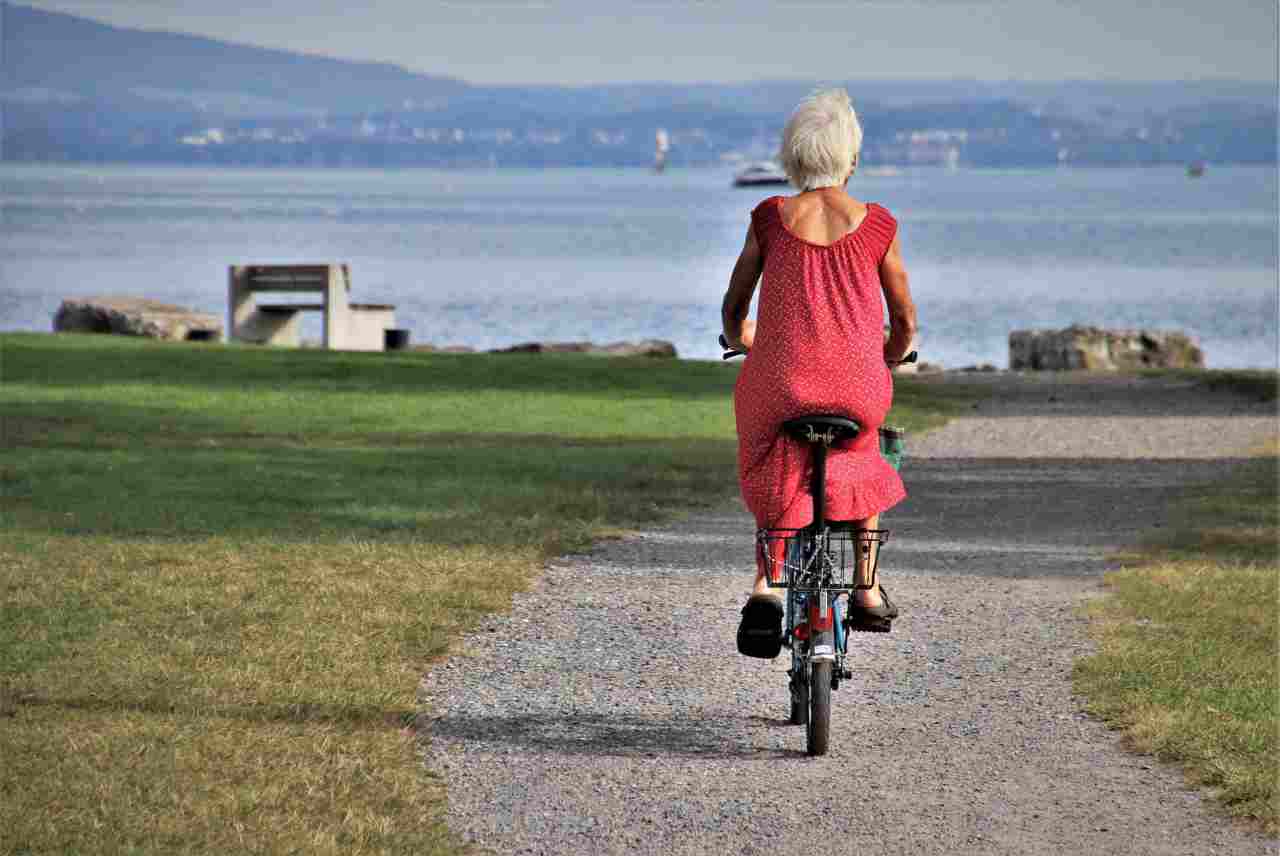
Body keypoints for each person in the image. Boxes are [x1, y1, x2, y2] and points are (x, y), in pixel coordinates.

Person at [721, 88, 917, 658]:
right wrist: (893, 351)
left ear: (793, 158)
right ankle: (867, 585)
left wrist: (744, 340)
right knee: (863, 451)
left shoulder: (769, 218)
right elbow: (903, 316)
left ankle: (767, 585)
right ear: (850, 158)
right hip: (856, 385)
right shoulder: (878, 224)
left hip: (781, 382)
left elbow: (735, 309)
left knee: (773, 448)